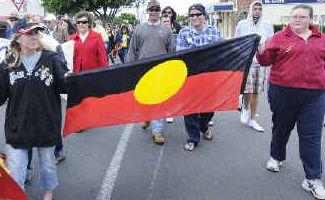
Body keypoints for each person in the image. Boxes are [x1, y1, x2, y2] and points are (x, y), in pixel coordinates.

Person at [256, 4, 325, 199]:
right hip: (283, 91)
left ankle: (312, 178)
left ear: (311, 19)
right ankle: (276, 157)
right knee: (281, 128)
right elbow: (265, 61)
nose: (297, 20)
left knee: (311, 136)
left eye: (302, 17)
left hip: (315, 96)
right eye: (294, 16)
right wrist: (261, 50)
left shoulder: (322, 40)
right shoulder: (279, 38)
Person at [0, 20, 68, 200]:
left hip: (46, 125)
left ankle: (48, 193)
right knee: (15, 172)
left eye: (36, 32)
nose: (33, 36)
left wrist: (69, 78)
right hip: (18, 127)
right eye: (28, 33)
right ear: (18, 38)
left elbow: (64, 87)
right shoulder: (8, 64)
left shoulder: (51, 58)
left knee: (47, 166)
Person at [127, 0, 174, 145]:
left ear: (160, 12)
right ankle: (146, 117)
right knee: (145, 98)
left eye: (156, 9)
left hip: (160, 71)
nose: (153, 12)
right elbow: (132, 51)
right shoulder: (139, 30)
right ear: (148, 11)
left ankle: (157, 131)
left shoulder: (167, 31)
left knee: (159, 100)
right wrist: (131, 68)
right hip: (143, 70)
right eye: (151, 9)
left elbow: (171, 52)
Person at [176, 4, 221, 151]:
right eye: (192, 15)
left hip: (209, 78)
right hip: (190, 78)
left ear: (205, 16)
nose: (195, 17)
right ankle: (193, 138)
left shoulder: (214, 31)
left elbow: (222, 51)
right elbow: (180, 54)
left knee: (209, 108)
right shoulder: (183, 33)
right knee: (190, 109)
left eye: (198, 14)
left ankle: (204, 126)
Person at [235, 1, 274, 132]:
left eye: (259, 9)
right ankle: (245, 108)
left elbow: (271, 42)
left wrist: (266, 51)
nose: (257, 11)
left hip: (260, 62)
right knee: (247, 90)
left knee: (256, 91)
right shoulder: (242, 24)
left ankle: (253, 119)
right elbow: (237, 41)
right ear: (251, 10)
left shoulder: (267, 25)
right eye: (255, 9)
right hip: (246, 61)